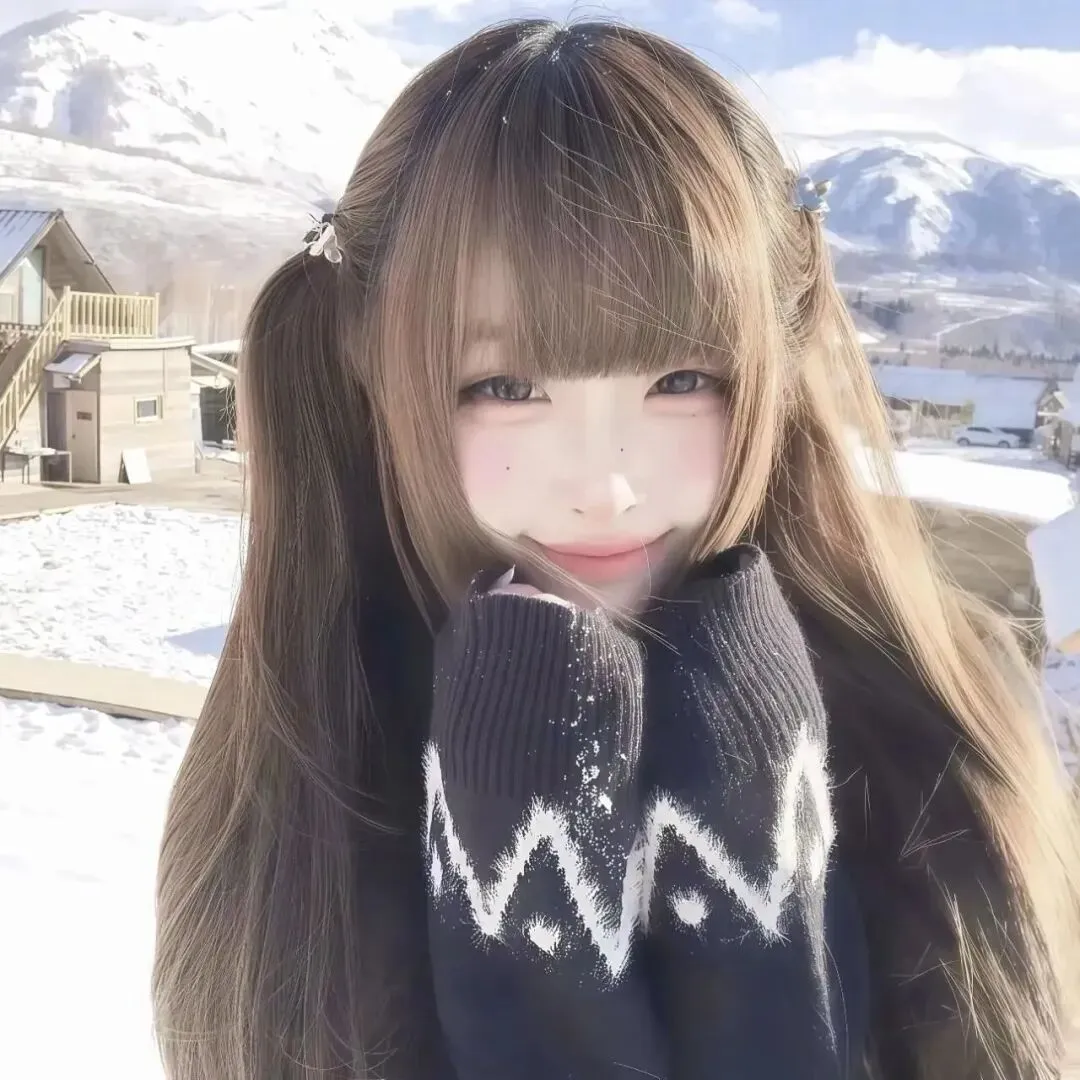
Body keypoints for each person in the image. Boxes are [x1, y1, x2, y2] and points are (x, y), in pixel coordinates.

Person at [152, 18, 1080, 1080]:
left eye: (682, 380)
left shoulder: (938, 737)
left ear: (777, 365)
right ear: (372, 367)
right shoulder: (305, 781)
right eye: (505, 387)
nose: (605, 485)